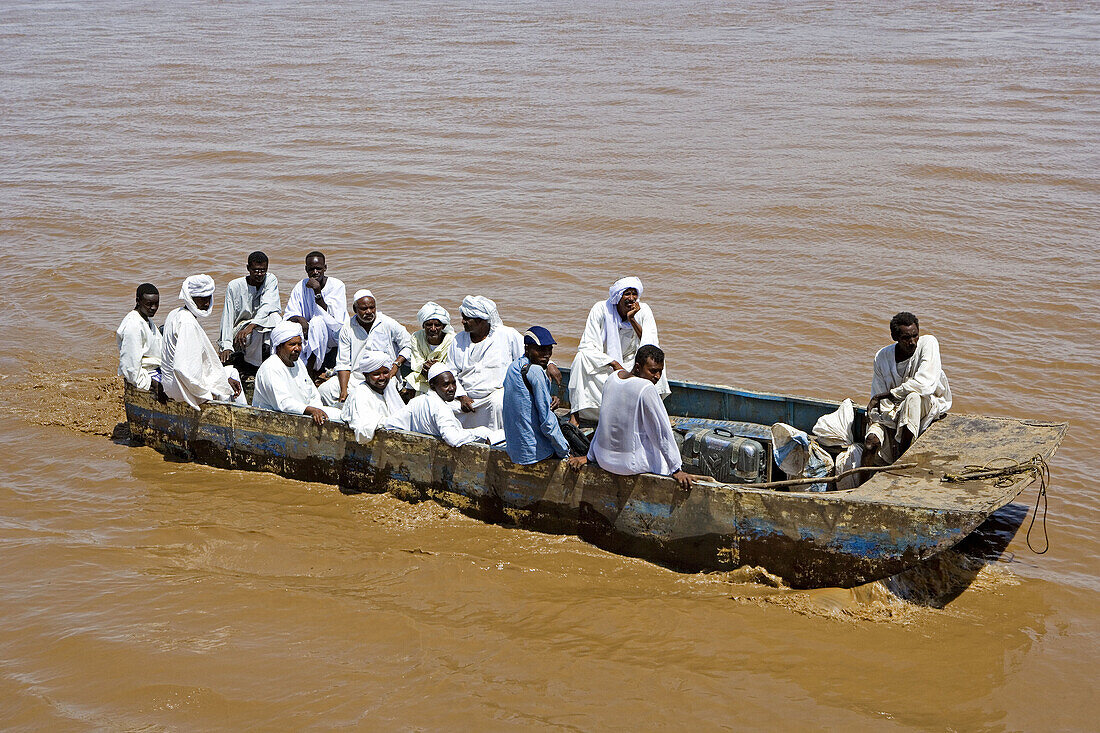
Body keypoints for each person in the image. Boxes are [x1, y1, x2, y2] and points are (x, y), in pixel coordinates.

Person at [568, 345, 691, 490]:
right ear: (638, 367)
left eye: (660, 371)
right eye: (653, 371)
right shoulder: (646, 387)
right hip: (629, 465)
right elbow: (661, 431)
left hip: (603, 459)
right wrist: (676, 469)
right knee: (666, 451)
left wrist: (590, 457)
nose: (657, 376)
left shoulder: (612, 378)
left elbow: (603, 423)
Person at [568, 276, 669, 424]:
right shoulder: (600, 309)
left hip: (632, 363)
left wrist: (632, 319)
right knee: (580, 358)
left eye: (634, 294)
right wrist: (613, 363)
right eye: (627, 294)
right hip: (605, 362)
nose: (631, 298)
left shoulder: (644, 310)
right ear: (618, 297)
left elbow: (650, 345)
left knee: (656, 362)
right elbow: (587, 345)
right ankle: (575, 416)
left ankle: (650, 410)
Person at [863, 312, 952, 465]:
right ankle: (860, 485)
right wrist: (882, 419)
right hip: (891, 411)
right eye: (906, 338)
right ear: (894, 337)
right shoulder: (882, 357)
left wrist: (889, 394)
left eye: (915, 336)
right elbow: (880, 399)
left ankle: (901, 460)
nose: (912, 342)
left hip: (926, 403)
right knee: (871, 442)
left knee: (913, 398)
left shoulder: (928, 343)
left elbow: (924, 384)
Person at [161, 275, 246, 409]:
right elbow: (183, 369)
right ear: (191, 298)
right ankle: (240, 417)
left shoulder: (175, 313)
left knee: (230, 374)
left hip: (169, 383)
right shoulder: (188, 323)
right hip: (180, 388)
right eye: (202, 299)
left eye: (208, 298)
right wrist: (207, 392)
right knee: (226, 386)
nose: (207, 304)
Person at [317, 289, 412, 406]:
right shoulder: (347, 328)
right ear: (355, 309)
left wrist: (396, 365)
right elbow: (343, 363)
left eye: (372, 308)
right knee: (325, 390)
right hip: (357, 377)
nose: (369, 312)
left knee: (385, 393)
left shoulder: (388, 323)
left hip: (384, 376)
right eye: (364, 309)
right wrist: (343, 390)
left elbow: (408, 344)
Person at [446, 295, 524, 431]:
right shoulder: (458, 340)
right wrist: (462, 395)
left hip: (495, 394)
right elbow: (451, 372)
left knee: (498, 403)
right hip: (465, 395)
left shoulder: (507, 335)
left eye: (466, 318)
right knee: (444, 407)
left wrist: (550, 364)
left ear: (481, 321)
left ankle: (497, 442)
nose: (462, 321)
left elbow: (527, 355)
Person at [382, 364, 500, 447]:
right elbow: (453, 439)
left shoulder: (417, 401)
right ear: (433, 386)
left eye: (454, 383)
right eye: (446, 385)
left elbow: (389, 423)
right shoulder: (441, 408)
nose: (452, 389)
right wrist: (482, 432)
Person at [502, 326, 570, 465]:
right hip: (536, 453)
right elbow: (547, 422)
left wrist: (546, 399)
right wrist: (565, 452)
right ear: (527, 349)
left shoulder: (513, 367)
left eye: (549, 349)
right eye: (540, 349)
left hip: (515, 451)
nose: (546, 354)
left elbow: (523, 400)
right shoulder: (536, 371)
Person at [252, 320, 342, 426]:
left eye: (299, 344)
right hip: (277, 420)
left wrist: (316, 409)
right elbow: (284, 404)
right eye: (292, 345)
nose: (297, 349)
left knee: (340, 415)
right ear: (279, 347)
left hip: (303, 414)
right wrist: (310, 410)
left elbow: (312, 393)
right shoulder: (271, 368)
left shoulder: (298, 362)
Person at [284, 251, 348, 377]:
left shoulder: (337, 285)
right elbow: (290, 313)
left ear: (325, 268)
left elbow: (334, 319)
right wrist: (300, 320)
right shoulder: (300, 286)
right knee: (281, 329)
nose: (315, 272)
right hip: (307, 331)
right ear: (306, 269)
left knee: (317, 322)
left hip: (332, 334)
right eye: (311, 269)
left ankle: (311, 369)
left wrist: (317, 292)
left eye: (318, 268)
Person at [218, 250, 282, 375]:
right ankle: (251, 365)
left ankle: (275, 361)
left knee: (276, 318)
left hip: (257, 325)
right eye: (256, 270)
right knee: (256, 331)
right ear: (248, 268)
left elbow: (268, 305)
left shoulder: (270, 279)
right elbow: (227, 317)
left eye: (263, 270)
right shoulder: (234, 286)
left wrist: (251, 326)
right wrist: (226, 345)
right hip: (241, 330)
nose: (259, 274)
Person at [341, 350, 407, 442]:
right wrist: (391, 421)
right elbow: (363, 429)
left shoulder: (389, 388)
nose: (382, 378)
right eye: (376, 374)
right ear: (365, 375)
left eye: (385, 373)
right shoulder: (360, 394)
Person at [116, 283, 164, 391]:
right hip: (145, 375)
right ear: (138, 301)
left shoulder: (146, 319)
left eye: (156, 304)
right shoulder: (133, 325)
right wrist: (152, 383)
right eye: (149, 304)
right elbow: (130, 366)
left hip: (156, 368)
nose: (154, 308)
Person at [405, 301, 457, 395]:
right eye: (429, 325)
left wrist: (435, 367)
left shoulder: (452, 339)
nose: (433, 329)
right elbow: (417, 361)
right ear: (423, 326)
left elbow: (451, 364)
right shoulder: (416, 337)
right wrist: (424, 366)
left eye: (437, 325)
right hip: (423, 374)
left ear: (443, 326)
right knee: (411, 382)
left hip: (444, 377)